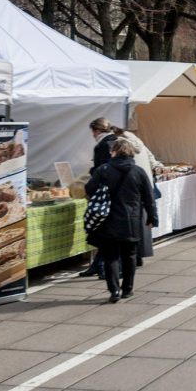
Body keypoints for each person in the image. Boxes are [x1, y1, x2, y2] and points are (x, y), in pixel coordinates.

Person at [84, 137, 158, 303]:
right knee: (130, 256)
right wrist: (153, 217)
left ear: (114, 152)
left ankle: (114, 290)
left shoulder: (103, 170)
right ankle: (127, 289)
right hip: (131, 220)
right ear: (131, 153)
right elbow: (149, 197)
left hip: (108, 220)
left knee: (111, 257)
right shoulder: (138, 171)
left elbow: (89, 189)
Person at [111, 127, 161, 265]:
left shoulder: (121, 144)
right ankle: (138, 256)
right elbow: (151, 158)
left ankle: (128, 262)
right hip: (143, 181)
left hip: (129, 186)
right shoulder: (137, 141)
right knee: (140, 222)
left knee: (129, 224)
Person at [80, 117, 119, 279]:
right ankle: (97, 265)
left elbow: (101, 169)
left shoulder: (103, 145)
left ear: (96, 130)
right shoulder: (116, 141)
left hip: (104, 192)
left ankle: (101, 267)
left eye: (92, 132)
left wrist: (92, 174)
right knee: (105, 231)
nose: (92, 135)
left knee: (103, 231)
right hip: (115, 191)